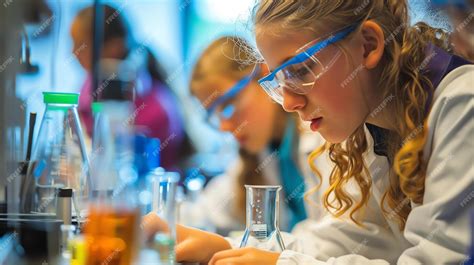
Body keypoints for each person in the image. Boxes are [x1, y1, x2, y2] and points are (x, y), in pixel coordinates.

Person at [144, 0, 474, 264]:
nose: (287, 102)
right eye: (278, 81)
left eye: (300, 70)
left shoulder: (462, 102)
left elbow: (434, 259)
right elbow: (352, 239)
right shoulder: (372, 127)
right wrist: (226, 247)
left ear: (368, 45)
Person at [180, 36, 328, 234]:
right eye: (213, 117)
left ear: (263, 75)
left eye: (227, 106)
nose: (224, 126)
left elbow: (335, 242)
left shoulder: (321, 134)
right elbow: (203, 213)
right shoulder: (257, 157)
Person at [70, 4, 188, 170]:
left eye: (81, 44)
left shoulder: (155, 108)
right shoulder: (92, 84)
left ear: (115, 47)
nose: (74, 53)